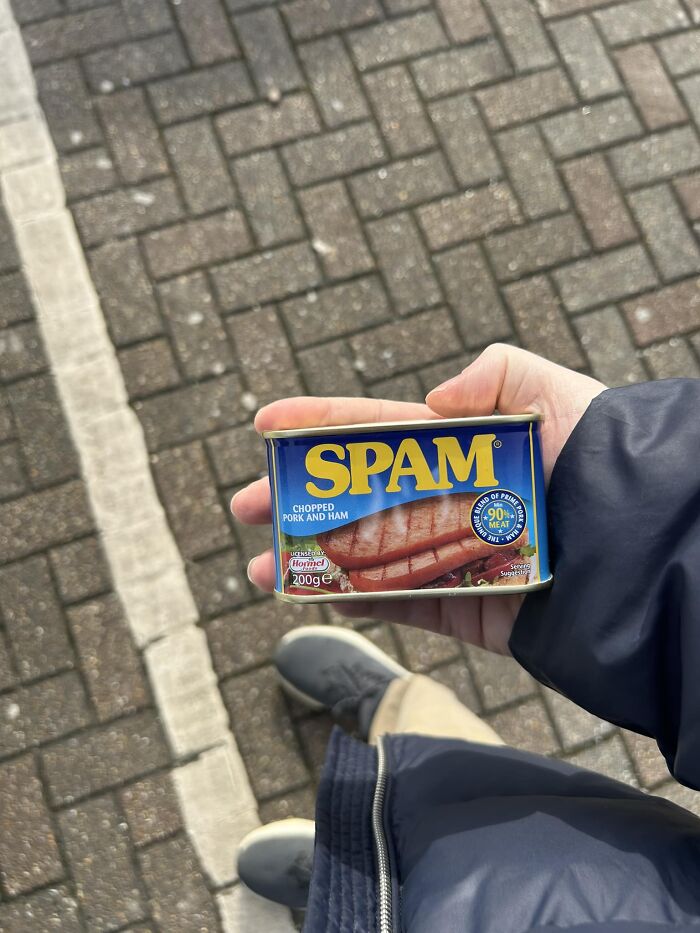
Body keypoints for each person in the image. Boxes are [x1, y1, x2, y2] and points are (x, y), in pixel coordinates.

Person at [231, 344, 700, 932]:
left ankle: (354, 878)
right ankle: (393, 717)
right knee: (469, 772)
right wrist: (628, 517)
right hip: (629, 870)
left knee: (401, 853)